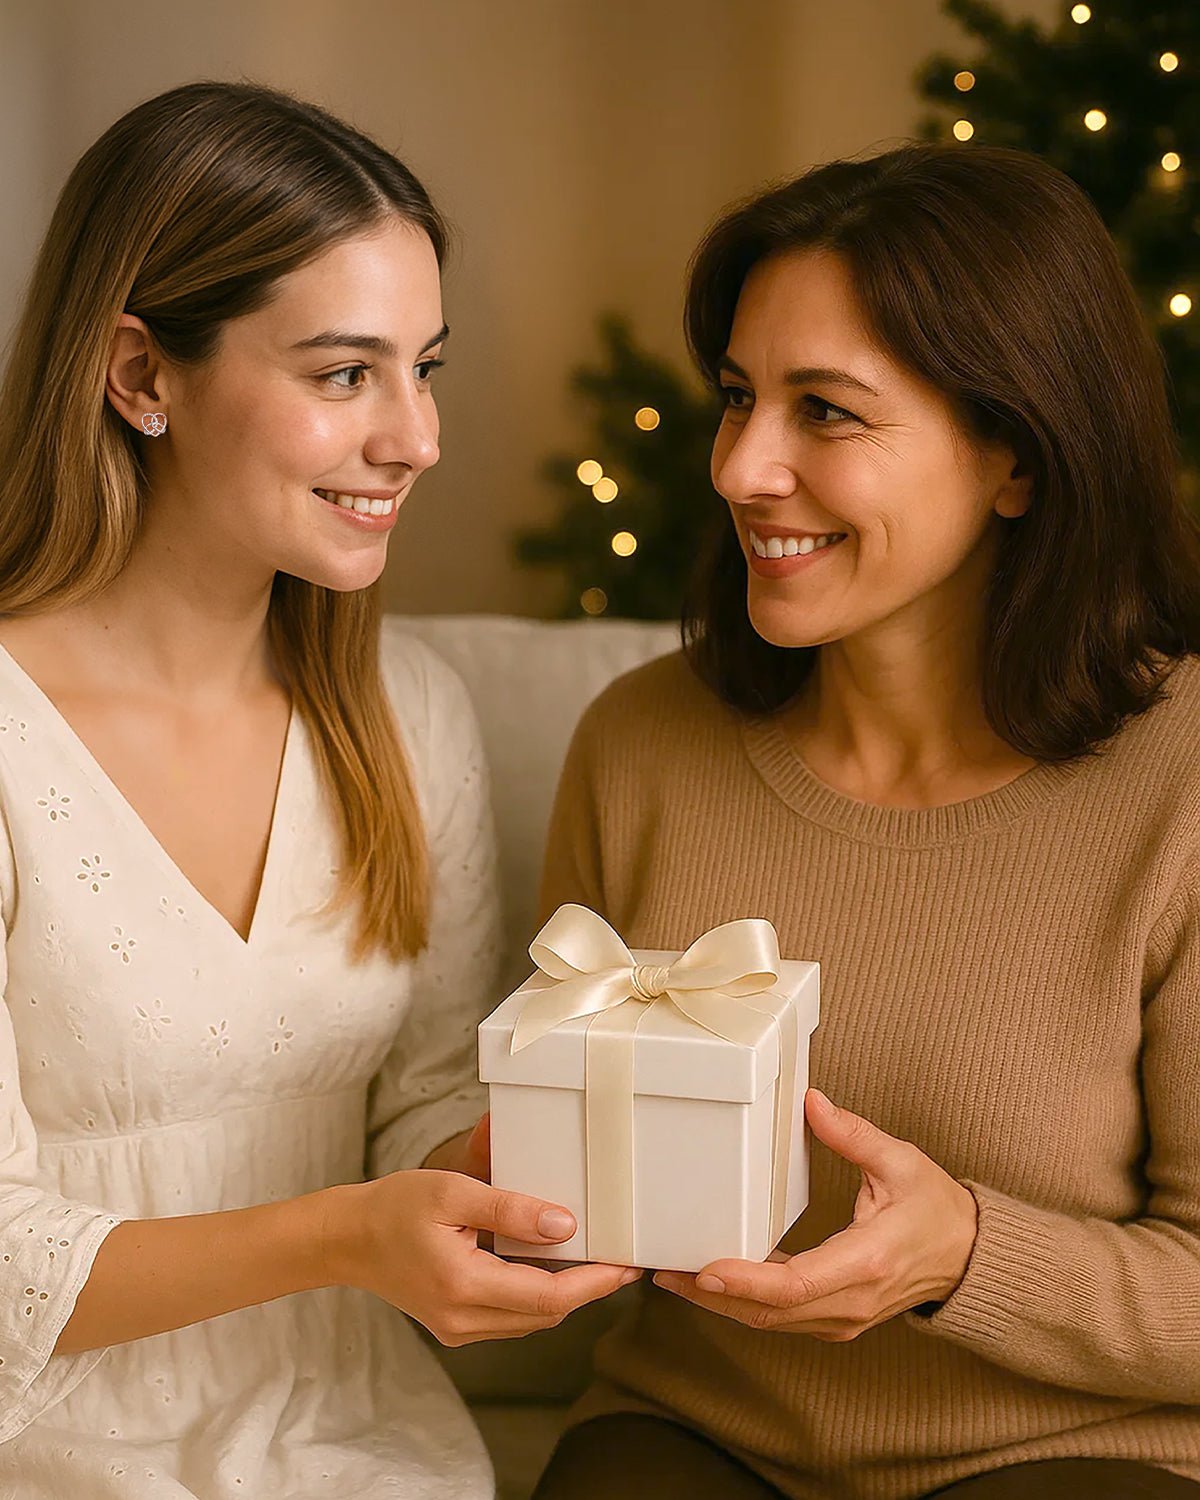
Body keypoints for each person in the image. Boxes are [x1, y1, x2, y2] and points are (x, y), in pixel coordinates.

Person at [531, 143, 1200, 1499]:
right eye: (736, 397)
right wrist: (503, 1201)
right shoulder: (640, 744)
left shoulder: (1179, 781)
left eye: (824, 411)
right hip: (692, 1432)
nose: (741, 468)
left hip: (1066, 1453)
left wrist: (964, 1253)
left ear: (1013, 456)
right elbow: (548, 1161)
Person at [0, 80, 636, 1500]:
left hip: (361, 1453)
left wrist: (545, 1158)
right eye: (345, 374)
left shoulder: (407, 718)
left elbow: (415, 1110)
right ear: (141, 375)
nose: (415, 437)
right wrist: (352, 1237)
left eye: (426, 368)